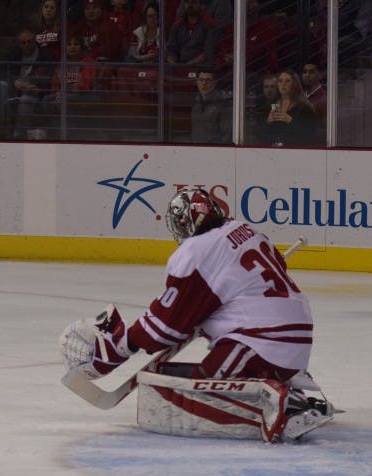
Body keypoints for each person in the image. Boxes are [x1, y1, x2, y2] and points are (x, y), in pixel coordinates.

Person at [59, 186, 333, 440]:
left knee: (202, 394)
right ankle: (286, 387)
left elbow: (166, 327)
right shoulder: (245, 229)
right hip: (290, 335)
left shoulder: (197, 251)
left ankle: (284, 404)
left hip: (261, 341)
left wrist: (124, 342)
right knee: (205, 381)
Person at [261, 68, 316, 147]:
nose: (283, 84)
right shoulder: (271, 106)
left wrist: (290, 120)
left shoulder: (304, 108)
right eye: (280, 81)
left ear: (294, 84)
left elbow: (309, 134)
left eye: (287, 81)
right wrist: (268, 121)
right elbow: (259, 134)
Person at [165, 0, 218, 66]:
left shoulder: (208, 24)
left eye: (193, 2)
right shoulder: (177, 25)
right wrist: (173, 62)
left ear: (199, 5)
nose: (190, 5)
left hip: (201, 67)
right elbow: (171, 50)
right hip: (179, 66)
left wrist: (188, 65)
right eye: (187, 2)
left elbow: (207, 53)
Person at [189, 67, 230, 143]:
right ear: (196, 82)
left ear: (215, 83)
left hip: (214, 148)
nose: (204, 83)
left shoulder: (223, 103)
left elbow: (227, 135)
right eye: (201, 80)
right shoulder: (195, 102)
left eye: (208, 80)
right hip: (196, 147)